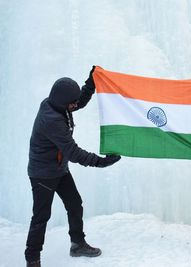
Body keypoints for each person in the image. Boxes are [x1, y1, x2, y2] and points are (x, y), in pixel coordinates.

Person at [25, 66, 121, 267]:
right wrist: (101, 162)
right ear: (64, 103)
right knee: (41, 216)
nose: (75, 105)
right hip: (43, 174)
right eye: (72, 102)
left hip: (58, 168)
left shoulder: (58, 105)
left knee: (75, 204)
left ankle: (77, 244)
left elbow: (79, 102)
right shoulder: (51, 120)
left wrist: (91, 82)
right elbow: (73, 152)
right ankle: (32, 259)